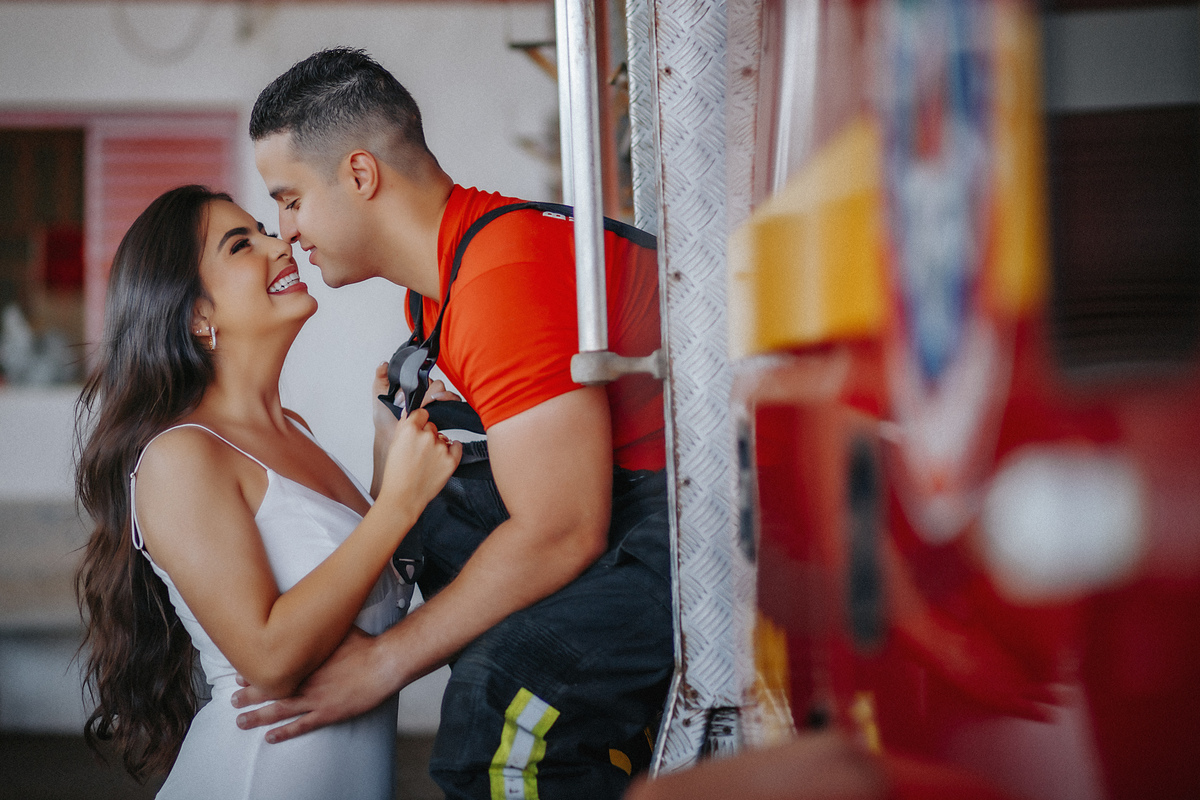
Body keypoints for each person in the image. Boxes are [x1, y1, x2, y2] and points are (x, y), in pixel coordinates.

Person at [234, 47, 675, 799]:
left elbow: (563, 529)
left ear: (361, 175)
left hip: (697, 520)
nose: (287, 233)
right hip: (627, 502)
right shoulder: (437, 295)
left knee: (492, 723)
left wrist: (381, 665)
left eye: (289, 199)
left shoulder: (500, 278)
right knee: (435, 510)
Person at [74, 185, 462, 799]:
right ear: (199, 314)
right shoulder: (181, 455)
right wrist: (398, 504)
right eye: (241, 245)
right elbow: (271, 658)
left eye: (264, 231)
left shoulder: (296, 433)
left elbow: (357, 592)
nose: (281, 244)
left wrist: (389, 461)